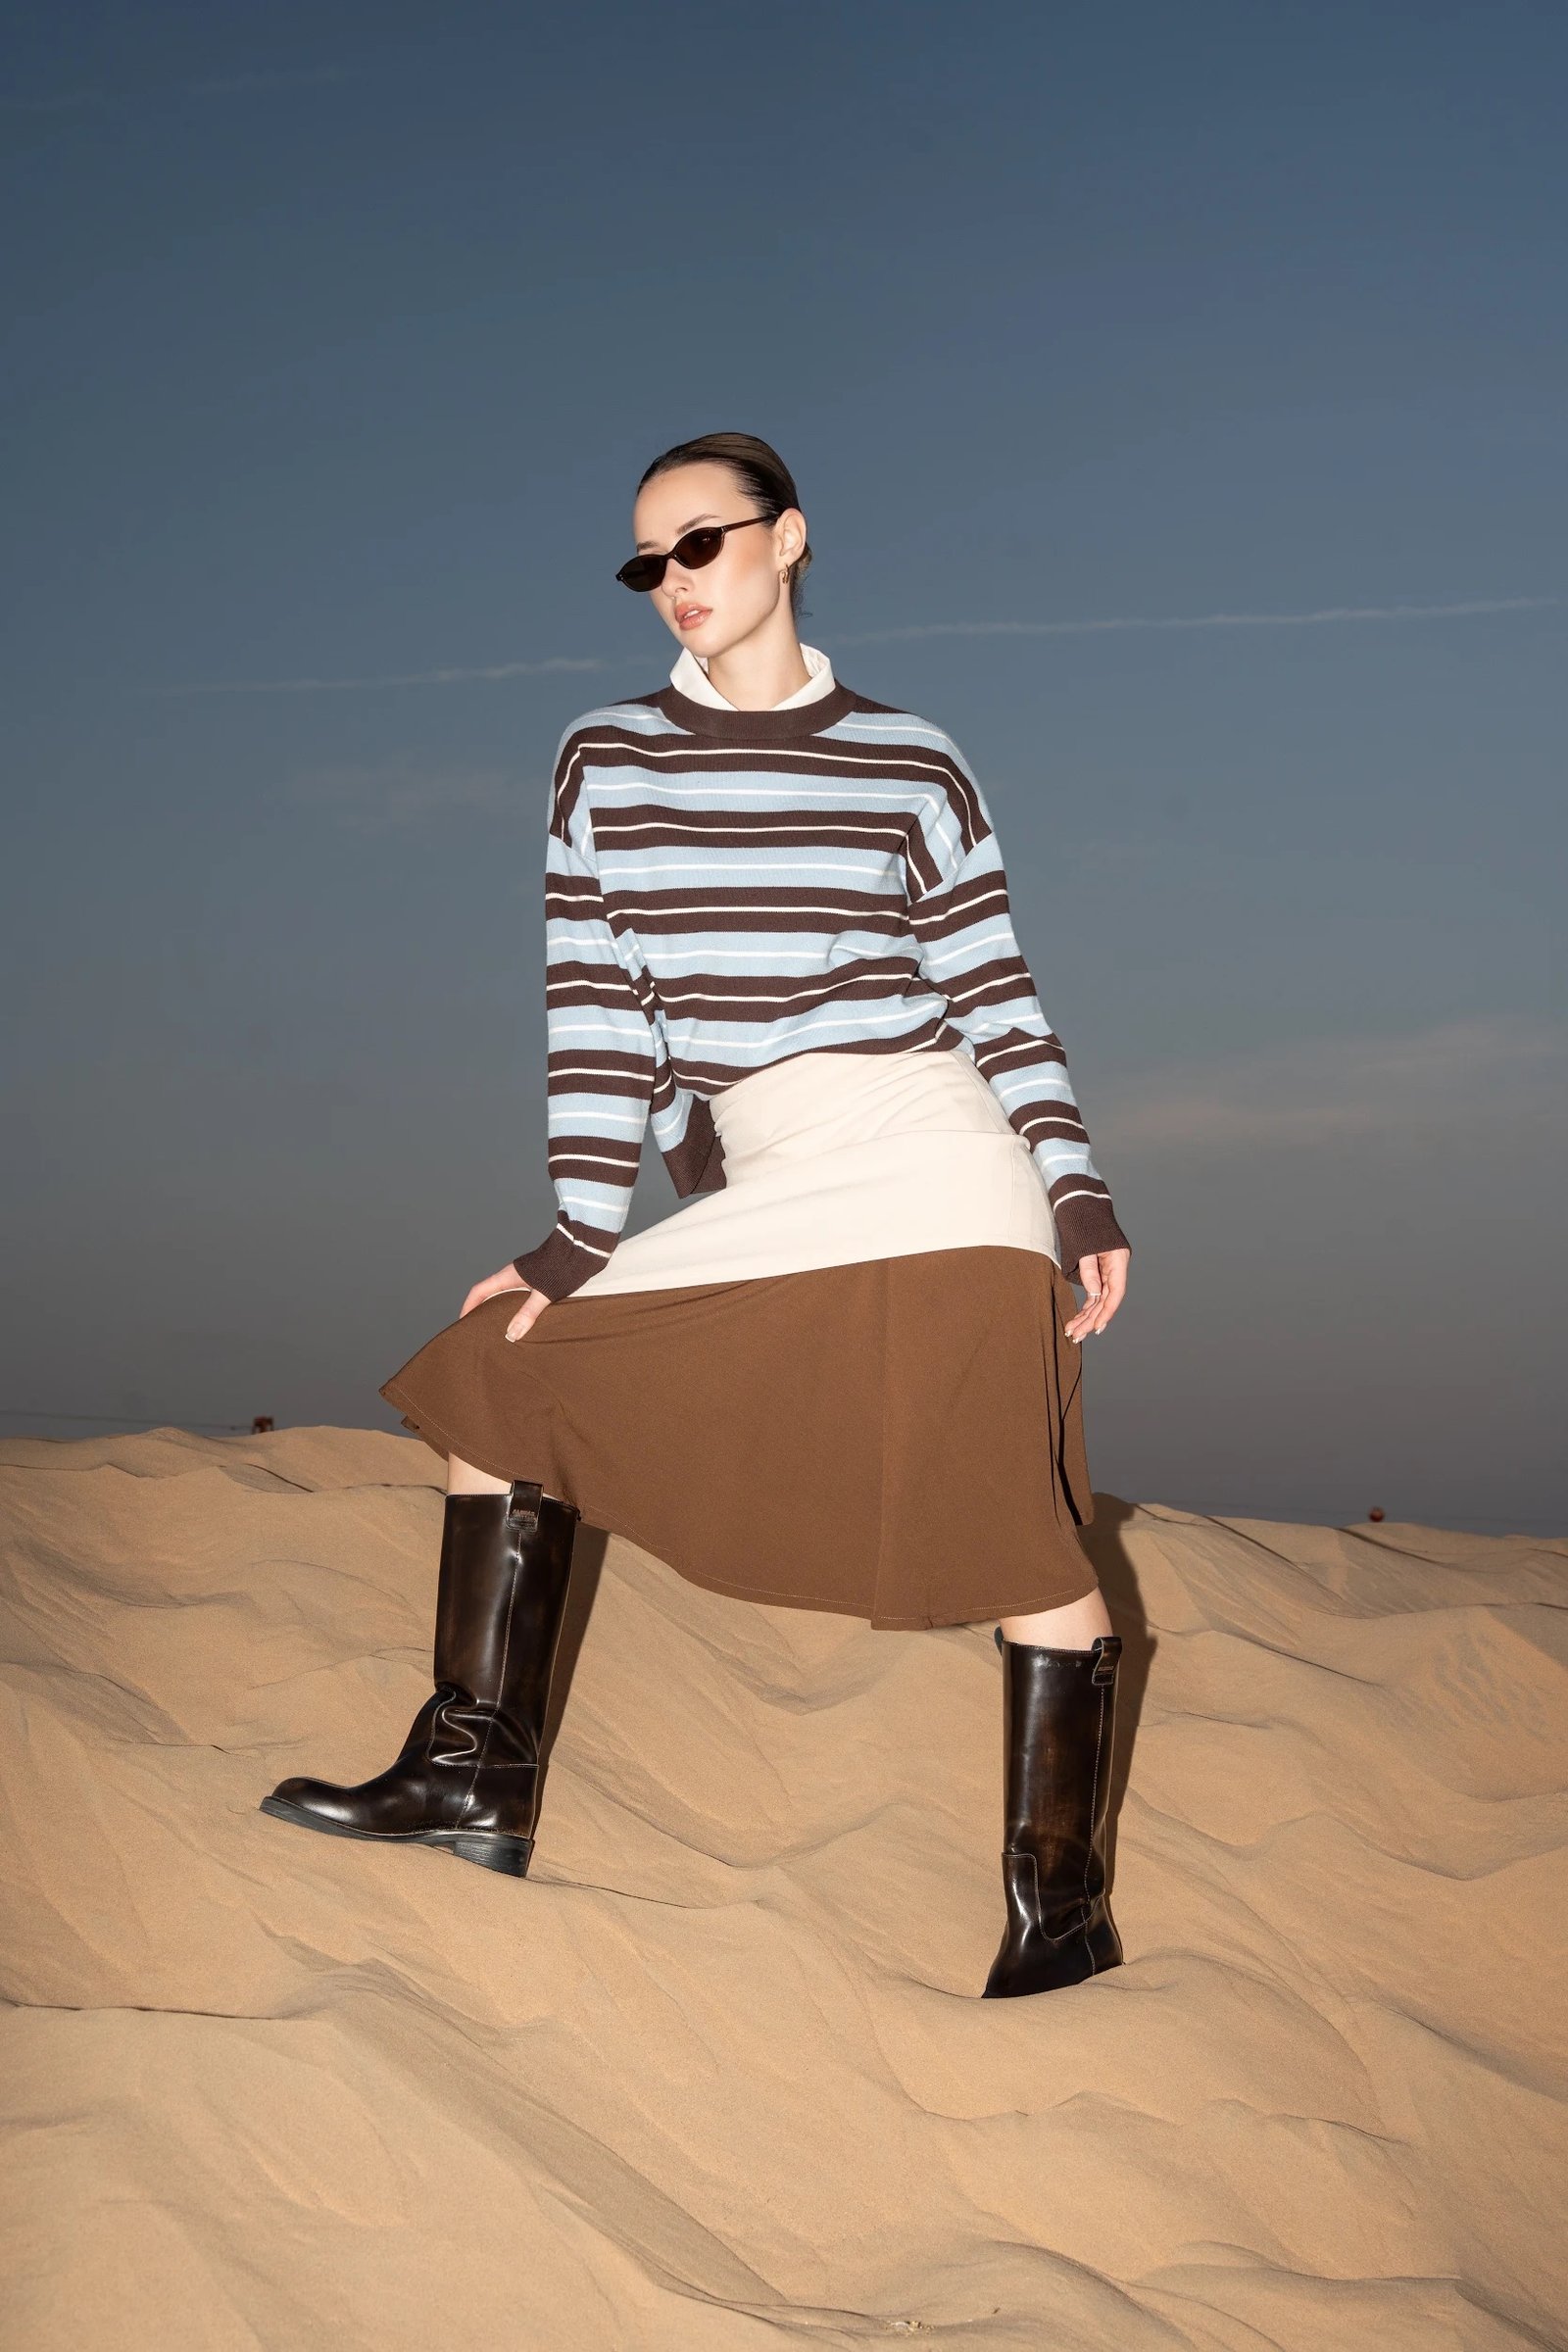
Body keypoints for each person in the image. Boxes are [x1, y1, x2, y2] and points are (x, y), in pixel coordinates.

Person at [260, 431, 1133, 1996]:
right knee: (498, 1376)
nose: (673, 581)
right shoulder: (604, 759)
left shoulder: (911, 760)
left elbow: (995, 990)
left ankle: (1058, 1910)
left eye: (703, 543)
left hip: (933, 1152)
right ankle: (473, 1777)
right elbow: (602, 1016)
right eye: (646, 562)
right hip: (776, 1171)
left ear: (788, 540)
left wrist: (1077, 1192)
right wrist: (578, 1232)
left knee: (1011, 1533)